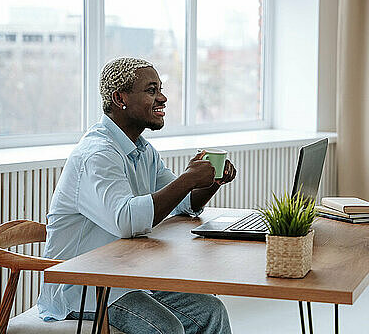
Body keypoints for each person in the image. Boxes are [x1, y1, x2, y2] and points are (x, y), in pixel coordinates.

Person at [37, 57, 236, 334]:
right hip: (86, 286)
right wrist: (188, 178)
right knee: (166, 328)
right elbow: (127, 220)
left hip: (126, 279)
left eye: (160, 89)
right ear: (121, 98)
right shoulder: (97, 154)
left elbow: (183, 204)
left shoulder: (142, 150)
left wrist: (210, 181)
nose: (163, 98)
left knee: (211, 311)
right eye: (151, 90)